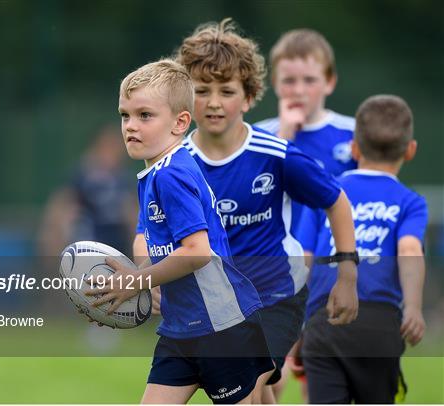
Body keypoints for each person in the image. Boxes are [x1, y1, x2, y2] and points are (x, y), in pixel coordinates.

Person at [134, 19, 358, 403]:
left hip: (274, 298)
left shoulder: (274, 155)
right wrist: (148, 274)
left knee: (252, 386)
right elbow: (146, 233)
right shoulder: (169, 164)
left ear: (250, 96)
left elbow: (336, 201)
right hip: (211, 306)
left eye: (227, 90)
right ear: (184, 100)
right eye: (202, 91)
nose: (215, 102)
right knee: (259, 392)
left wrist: (347, 273)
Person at [88, 59, 275, 404]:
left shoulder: (172, 175)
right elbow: (153, 243)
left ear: (180, 123)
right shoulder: (153, 174)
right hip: (180, 331)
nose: (130, 126)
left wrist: (135, 281)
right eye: (125, 115)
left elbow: (197, 252)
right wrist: (133, 285)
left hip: (222, 329)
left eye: (145, 115)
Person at [298, 95, 428, 403]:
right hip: (380, 325)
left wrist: (290, 318)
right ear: (410, 151)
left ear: (354, 148)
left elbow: (302, 258)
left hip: (323, 321)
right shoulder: (410, 202)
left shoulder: (325, 192)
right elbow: (409, 250)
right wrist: (412, 307)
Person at [254, 29, 357, 241]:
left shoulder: (354, 132)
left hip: (334, 252)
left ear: (329, 82)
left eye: (309, 80)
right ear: (274, 83)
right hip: (278, 259)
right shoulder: (257, 136)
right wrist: (284, 137)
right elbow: (254, 196)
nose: (299, 90)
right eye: (289, 81)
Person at [38, 125, 136, 258]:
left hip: (117, 244)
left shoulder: (124, 179)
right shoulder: (81, 175)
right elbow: (59, 207)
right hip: (87, 242)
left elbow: (132, 214)